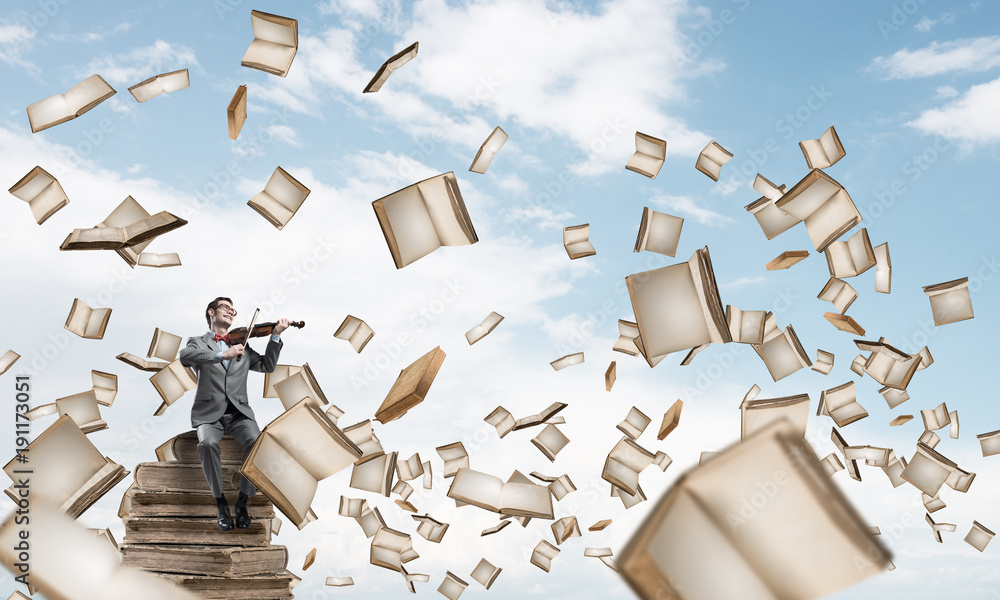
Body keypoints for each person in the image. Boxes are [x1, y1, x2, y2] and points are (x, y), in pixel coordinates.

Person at [178, 297, 289, 531]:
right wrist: (222, 355)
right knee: (207, 443)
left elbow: (267, 366)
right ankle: (220, 504)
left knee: (257, 443)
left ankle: (242, 503)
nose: (231, 312)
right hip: (209, 413)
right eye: (225, 308)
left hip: (239, 413)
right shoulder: (197, 342)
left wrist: (276, 335)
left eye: (233, 310)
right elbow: (186, 358)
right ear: (211, 312)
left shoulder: (244, 346)